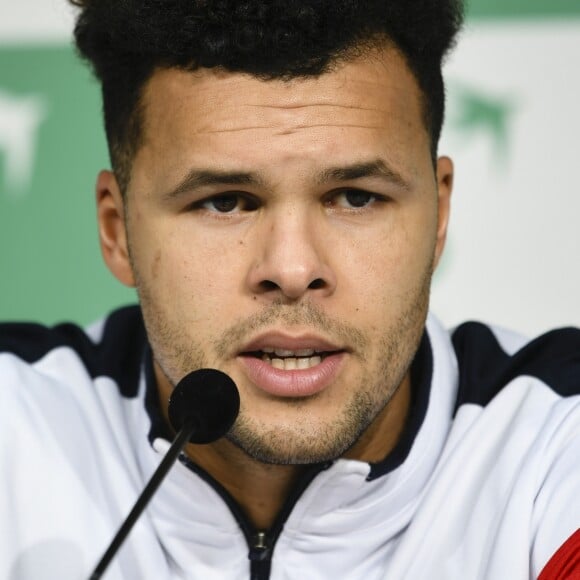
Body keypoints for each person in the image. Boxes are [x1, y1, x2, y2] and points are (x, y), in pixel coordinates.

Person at [1, 0, 579, 578]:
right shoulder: (17, 427)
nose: (294, 269)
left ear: (440, 214)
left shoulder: (556, 439)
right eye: (224, 201)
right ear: (118, 230)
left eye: (356, 196)